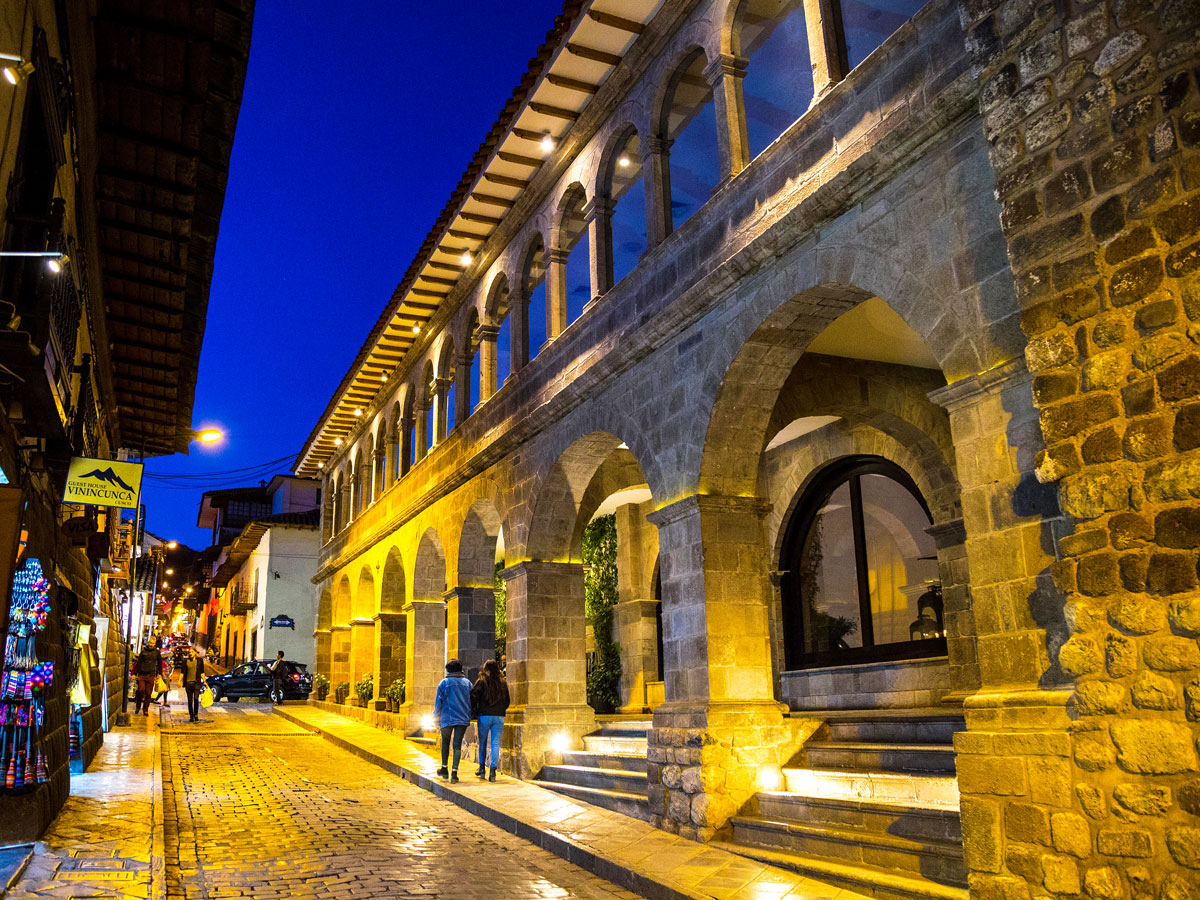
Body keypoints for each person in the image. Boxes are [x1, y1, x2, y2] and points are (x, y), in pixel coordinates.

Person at [470, 658, 510, 781]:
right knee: (495, 743)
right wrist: (501, 709)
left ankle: (482, 767)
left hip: (484, 715)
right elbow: (507, 700)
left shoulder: (482, 682)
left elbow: (473, 696)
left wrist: (475, 711)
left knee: (482, 742)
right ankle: (493, 770)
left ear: (486, 669)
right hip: (499, 716)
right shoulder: (502, 683)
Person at [433, 659, 471, 783]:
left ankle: (444, 768)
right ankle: (454, 772)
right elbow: (473, 699)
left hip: (447, 717)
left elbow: (439, 703)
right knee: (457, 745)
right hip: (462, 717)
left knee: (445, 742)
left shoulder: (444, 683)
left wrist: (435, 717)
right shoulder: (467, 683)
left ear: (448, 670)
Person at [132, 637, 163, 715]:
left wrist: (159, 673)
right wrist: (135, 673)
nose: (151, 645)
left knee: (148, 693)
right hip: (142, 674)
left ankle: (145, 709)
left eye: (152, 643)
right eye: (150, 643)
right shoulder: (143, 652)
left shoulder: (157, 652)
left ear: (154, 644)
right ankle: (138, 706)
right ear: (148, 643)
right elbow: (138, 663)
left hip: (151, 674)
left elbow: (159, 663)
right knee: (140, 690)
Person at [182, 647, 205, 723]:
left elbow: (202, 672)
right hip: (188, 683)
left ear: (195, 653)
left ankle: (196, 715)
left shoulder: (199, 661)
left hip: (197, 683)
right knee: (189, 700)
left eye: (192, 652)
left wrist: (204, 681)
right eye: (190, 652)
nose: (190, 653)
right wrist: (179, 681)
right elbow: (183, 672)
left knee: (196, 699)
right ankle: (191, 716)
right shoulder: (186, 661)